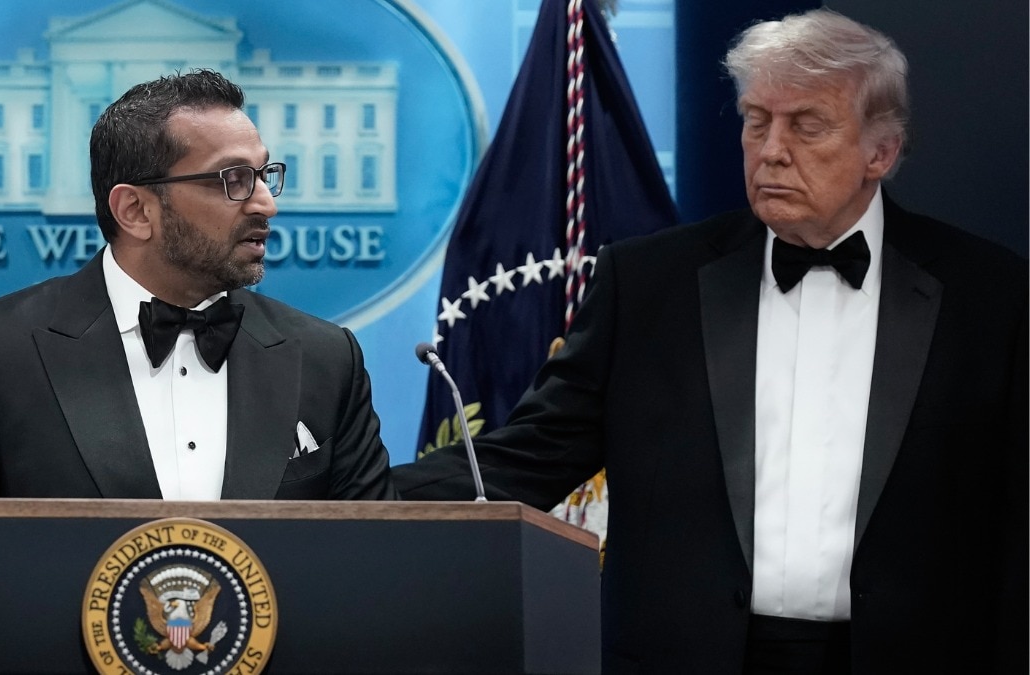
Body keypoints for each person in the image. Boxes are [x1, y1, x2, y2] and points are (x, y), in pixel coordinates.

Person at [395, 9, 1026, 674]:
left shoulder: (989, 298)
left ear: (882, 152)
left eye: (806, 125)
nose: (771, 149)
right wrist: (350, 496)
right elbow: (527, 456)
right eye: (757, 121)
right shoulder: (648, 283)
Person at [0, 70, 396, 501]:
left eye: (264, 175)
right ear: (134, 210)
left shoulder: (327, 359)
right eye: (234, 179)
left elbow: (372, 558)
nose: (267, 203)